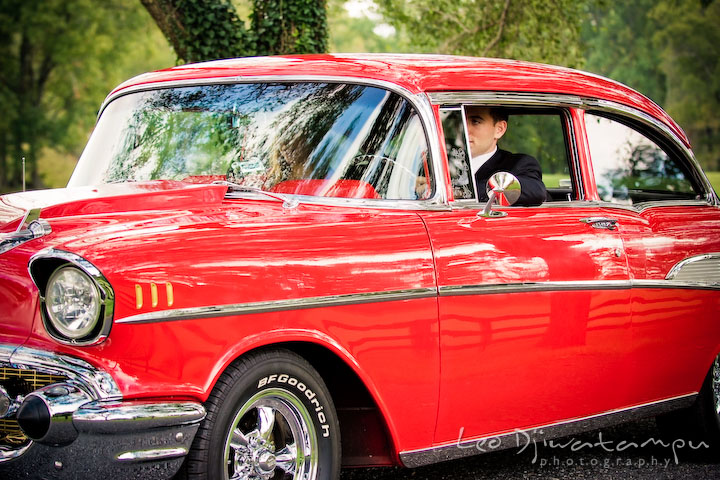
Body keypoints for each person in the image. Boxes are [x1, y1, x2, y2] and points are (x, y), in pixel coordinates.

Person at [465, 106, 547, 206]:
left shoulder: (518, 164)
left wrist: (461, 191)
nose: (464, 129)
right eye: (458, 120)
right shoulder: (442, 165)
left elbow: (536, 191)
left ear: (499, 129)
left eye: (475, 121)